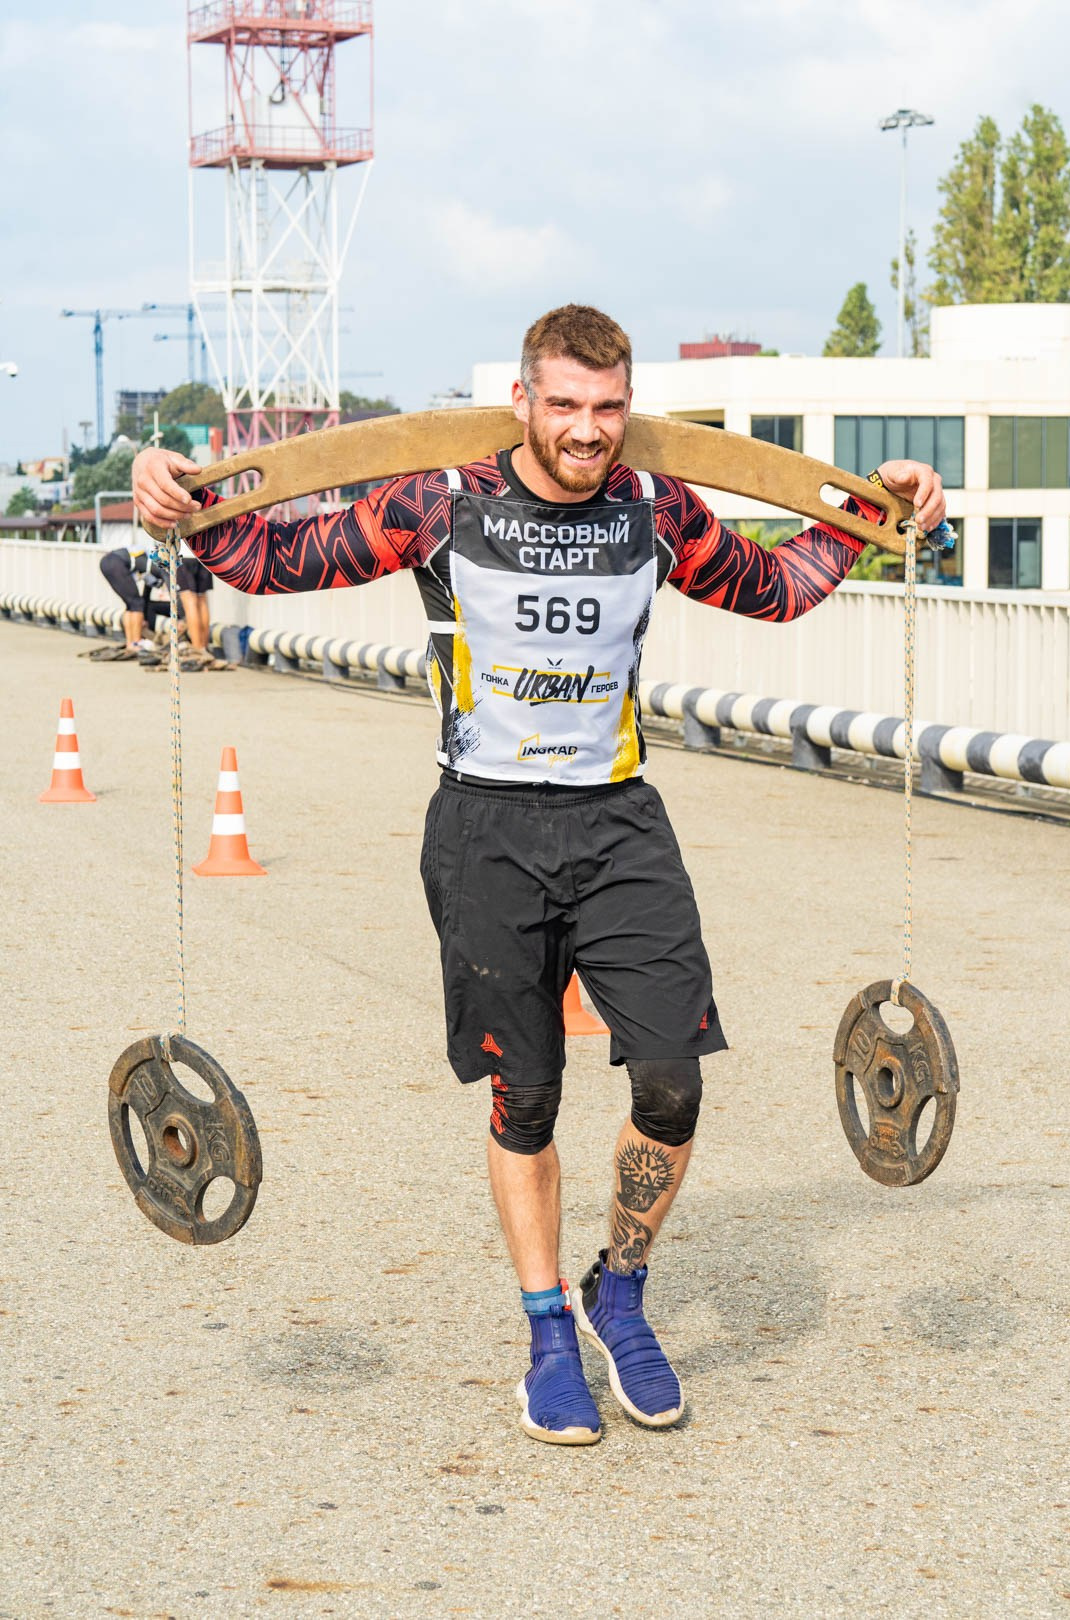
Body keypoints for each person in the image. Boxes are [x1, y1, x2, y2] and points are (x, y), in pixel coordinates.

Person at [133, 305, 945, 1446]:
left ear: (629, 409)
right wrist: (174, 492)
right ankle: (546, 1333)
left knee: (672, 1082)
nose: (587, 431)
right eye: (564, 406)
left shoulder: (653, 506)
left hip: (620, 827)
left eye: (609, 409)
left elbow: (779, 585)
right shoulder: (440, 503)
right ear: (523, 401)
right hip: (485, 833)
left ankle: (621, 1289)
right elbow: (276, 557)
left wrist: (881, 510)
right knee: (530, 1101)